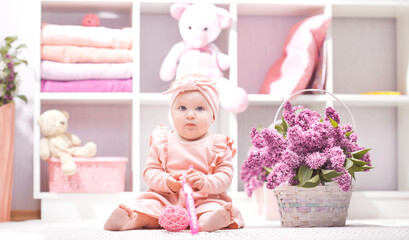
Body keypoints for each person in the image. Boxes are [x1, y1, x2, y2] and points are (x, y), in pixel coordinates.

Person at [104, 74, 244, 232]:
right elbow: (150, 171)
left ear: (213, 116)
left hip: (203, 199)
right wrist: (166, 181)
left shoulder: (218, 144)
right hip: (165, 198)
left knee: (211, 208)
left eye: (200, 108)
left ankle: (210, 220)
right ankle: (130, 219)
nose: (190, 114)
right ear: (172, 113)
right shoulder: (162, 141)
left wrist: (205, 182)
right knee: (150, 208)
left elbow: (225, 176)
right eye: (182, 108)